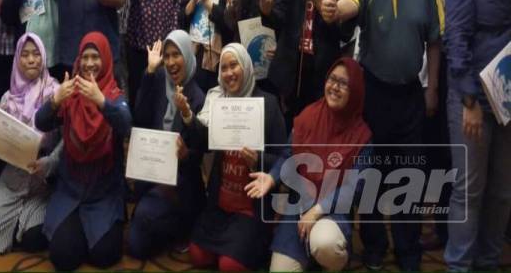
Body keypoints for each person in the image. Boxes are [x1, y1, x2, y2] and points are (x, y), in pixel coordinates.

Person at [319, 0, 442, 271]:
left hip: (410, 97)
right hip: (372, 94)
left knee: (409, 178)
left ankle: (408, 253)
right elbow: (347, 4)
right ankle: (373, 247)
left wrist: (432, 89)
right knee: (369, 176)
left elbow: (435, 41)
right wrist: (331, 8)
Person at [444, 0, 511, 272]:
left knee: (503, 191)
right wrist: (469, 99)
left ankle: (488, 264)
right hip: (473, 97)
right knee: (469, 190)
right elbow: (457, 37)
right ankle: (459, 266)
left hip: (510, 96)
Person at [251, 58, 372, 272]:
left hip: (332, 210)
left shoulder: (362, 136)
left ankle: (331, 259)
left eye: (343, 83)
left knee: (325, 245)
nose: (335, 87)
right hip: (298, 208)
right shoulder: (308, 116)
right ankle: (309, 253)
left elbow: (354, 188)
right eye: (332, 79)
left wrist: (316, 212)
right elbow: (289, 155)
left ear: (355, 91)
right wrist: (271, 177)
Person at [35, 32, 131, 270]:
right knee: (63, 257)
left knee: (105, 256)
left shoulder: (113, 94)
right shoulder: (70, 93)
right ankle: (80, 226)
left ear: (107, 60)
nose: (89, 63)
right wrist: (55, 100)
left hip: (104, 193)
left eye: (96, 57)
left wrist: (101, 101)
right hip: (71, 190)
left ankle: (94, 228)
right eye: (85, 57)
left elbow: (126, 124)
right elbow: (41, 122)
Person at [189, 43, 287, 271]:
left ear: (246, 66)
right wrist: (187, 116)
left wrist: (258, 160)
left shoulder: (269, 104)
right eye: (223, 68)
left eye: (234, 66)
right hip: (220, 204)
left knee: (229, 266)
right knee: (197, 255)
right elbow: (204, 143)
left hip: (251, 208)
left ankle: (259, 239)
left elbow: (285, 160)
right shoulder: (219, 103)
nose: (229, 73)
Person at [129, 30, 206, 259]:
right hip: (152, 176)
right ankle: (160, 223)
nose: (171, 62)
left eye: (177, 55)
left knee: (138, 241)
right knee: (136, 244)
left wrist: (185, 155)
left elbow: (200, 151)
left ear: (187, 56)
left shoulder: (198, 97)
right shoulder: (158, 80)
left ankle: (184, 224)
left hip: (181, 186)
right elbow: (140, 118)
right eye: (168, 55)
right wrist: (150, 71)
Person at [0, 33, 60, 254]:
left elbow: (61, 139)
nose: (31, 60)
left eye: (36, 54)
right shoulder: (8, 97)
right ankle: (19, 216)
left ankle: (28, 214)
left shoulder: (55, 92)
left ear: (44, 57)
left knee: (33, 240)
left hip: (43, 177)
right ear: (17, 59)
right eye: (24, 55)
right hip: (14, 175)